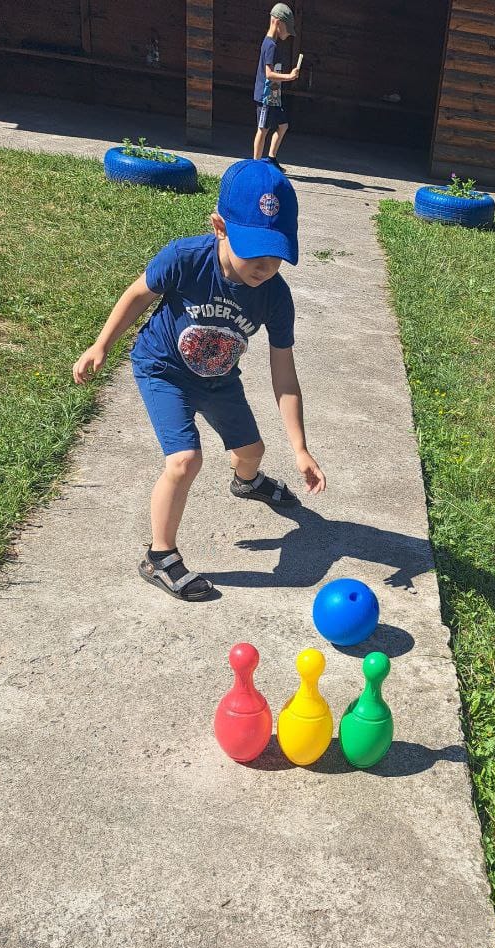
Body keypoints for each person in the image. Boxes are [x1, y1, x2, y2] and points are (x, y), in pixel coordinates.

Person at [72, 158, 325, 602]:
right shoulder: (186, 258)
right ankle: (160, 556)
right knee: (185, 460)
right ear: (220, 227)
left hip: (219, 377)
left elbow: (283, 373)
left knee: (252, 451)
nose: (265, 266)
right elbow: (137, 294)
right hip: (163, 369)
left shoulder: (275, 297)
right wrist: (102, 345)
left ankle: (247, 482)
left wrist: (300, 448)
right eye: (255, 251)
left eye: (277, 255)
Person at [253, 3, 299, 167]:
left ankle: (271, 158)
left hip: (274, 97)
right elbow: (269, 74)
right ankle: (256, 165)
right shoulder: (270, 45)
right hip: (265, 97)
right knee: (263, 129)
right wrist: (289, 77)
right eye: (288, 28)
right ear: (278, 22)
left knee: (283, 125)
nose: (289, 33)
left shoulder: (271, 43)